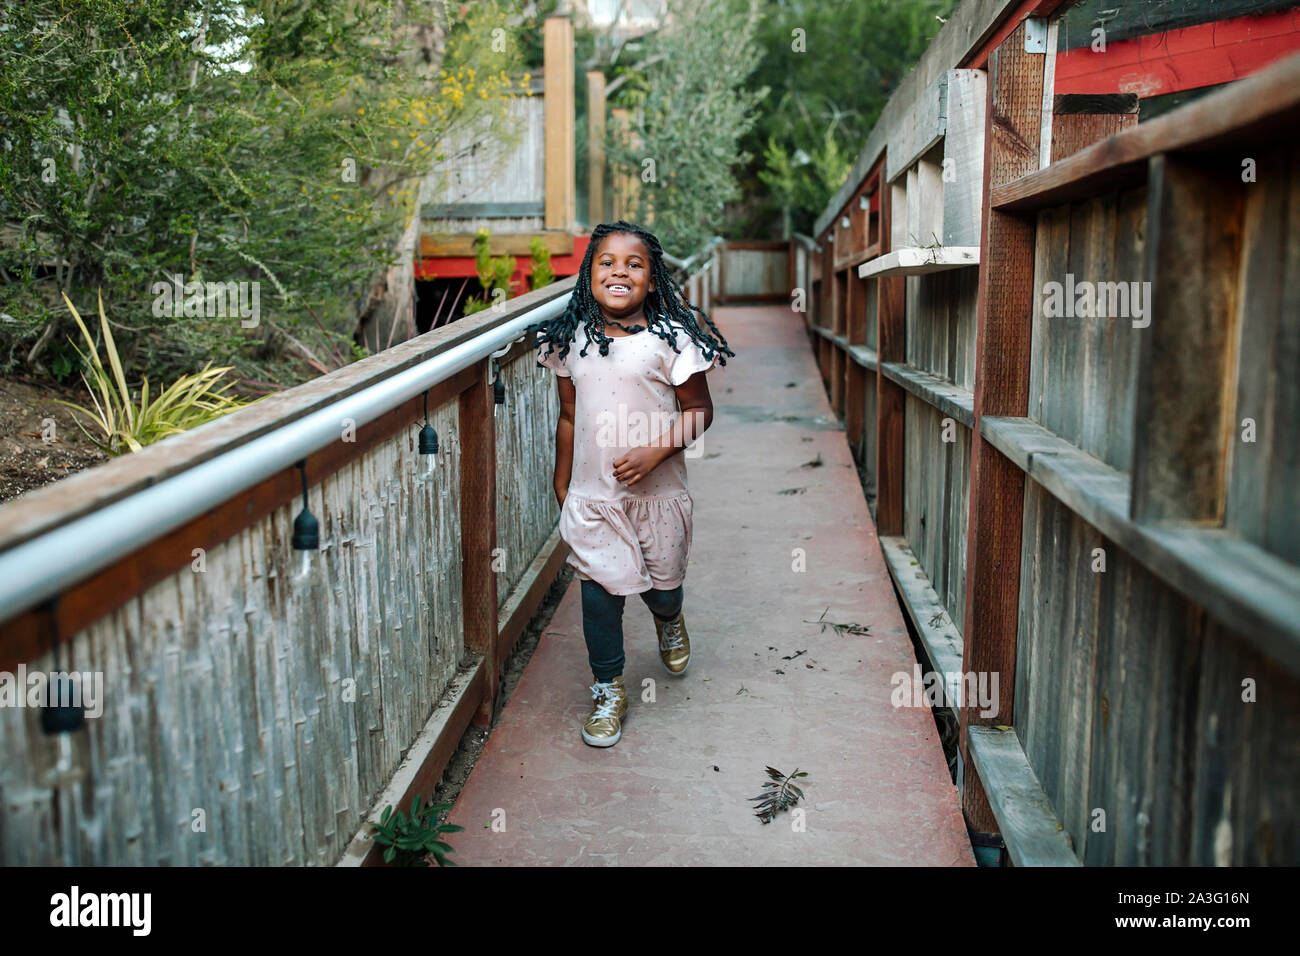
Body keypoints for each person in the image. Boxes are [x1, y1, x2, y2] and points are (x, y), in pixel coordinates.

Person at [526, 221, 734, 748]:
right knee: (599, 594)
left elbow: (700, 411)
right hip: (596, 499)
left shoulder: (672, 341)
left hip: (657, 498)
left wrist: (654, 451)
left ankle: (670, 618)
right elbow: (569, 416)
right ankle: (607, 688)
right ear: (589, 275)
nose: (620, 271)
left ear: (652, 278)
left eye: (634, 264)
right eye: (607, 262)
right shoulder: (569, 340)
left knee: (662, 590)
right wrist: (562, 476)